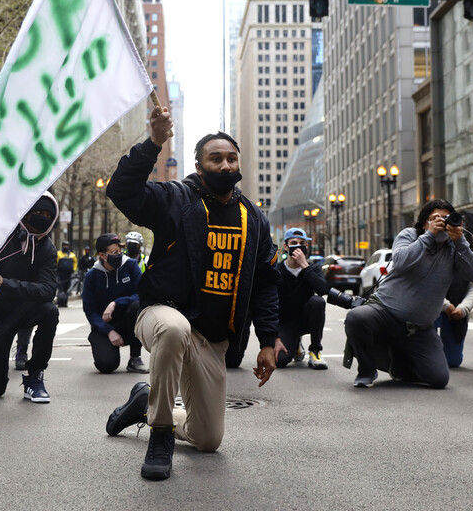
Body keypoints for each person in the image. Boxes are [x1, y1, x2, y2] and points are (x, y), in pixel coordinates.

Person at [103, 105, 279, 481]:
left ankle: (142, 405)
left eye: (232, 158)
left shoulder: (253, 218)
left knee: (208, 438)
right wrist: (154, 142)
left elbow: (265, 281)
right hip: (161, 314)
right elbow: (122, 190)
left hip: (212, 338)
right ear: (200, 167)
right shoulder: (175, 198)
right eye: (216, 159)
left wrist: (268, 340)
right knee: (174, 328)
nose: (226, 165)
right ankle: (160, 434)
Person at [343, 200, 473, 388]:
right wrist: (429, 235)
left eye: (445, 218)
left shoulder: (454, 247)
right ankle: (367, 369)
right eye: (434, 219)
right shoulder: (410, 235)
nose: (440, 222)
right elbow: (400, 262)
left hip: (420, 328)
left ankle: (399, 365)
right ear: (424, 223)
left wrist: (460, 242)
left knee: (439, 379)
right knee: (356, 317)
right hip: (386, 313)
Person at [0, 192, 60, 402]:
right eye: (37, 212)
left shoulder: (47, 248)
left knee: (49, 311)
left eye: (47, 214)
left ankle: (35, 378)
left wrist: (4, 282)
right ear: (25, 213)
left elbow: (48, 291)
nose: (41, 217)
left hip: (21, 311)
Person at [81, 233, 147, 374]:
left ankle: (135, 358)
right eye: (114, 252)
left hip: (128, 322)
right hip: (105, 326)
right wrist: (108, 331)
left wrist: (115, 303)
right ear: (103, 255)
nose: (119, 255)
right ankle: (106, 348)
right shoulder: (92, 276)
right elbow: (89, 311)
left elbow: (141, 294)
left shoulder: (130, 265)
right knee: (106, 365)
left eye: (120, 251)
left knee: (137, 307)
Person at [273, 227, 328, 369]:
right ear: (285, 247)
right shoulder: (277, 271)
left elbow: (322, 290)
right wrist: (275, 337)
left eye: (302, 243)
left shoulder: (312, 269)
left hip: (306, 319)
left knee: (317, 302)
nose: (298, 247)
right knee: (280, 360)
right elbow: (270, 305)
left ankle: (315, 351)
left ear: (306, 247)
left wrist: (305, 266)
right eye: (294, 243)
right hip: (286, 323)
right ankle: (295, 344)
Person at [432, 276, 473, 368]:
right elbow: (425, 285)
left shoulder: (470, 262)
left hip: (456, 311)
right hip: (431, 306)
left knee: (453, 361)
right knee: (429, 356)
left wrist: (463, 309)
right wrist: (446, 305)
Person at [56, 241, 77, 306]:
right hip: (60, 273)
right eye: (64, 245)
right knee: (61, 288)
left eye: (67, 245)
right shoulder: (58, 253)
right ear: (62, 246)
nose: (65, 247)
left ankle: (65, 302)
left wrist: (74, 269)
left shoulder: (72, 255)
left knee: (67, 288)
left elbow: (75, 262)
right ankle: (60, 302)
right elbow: (55, 262)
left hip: (68, 274)